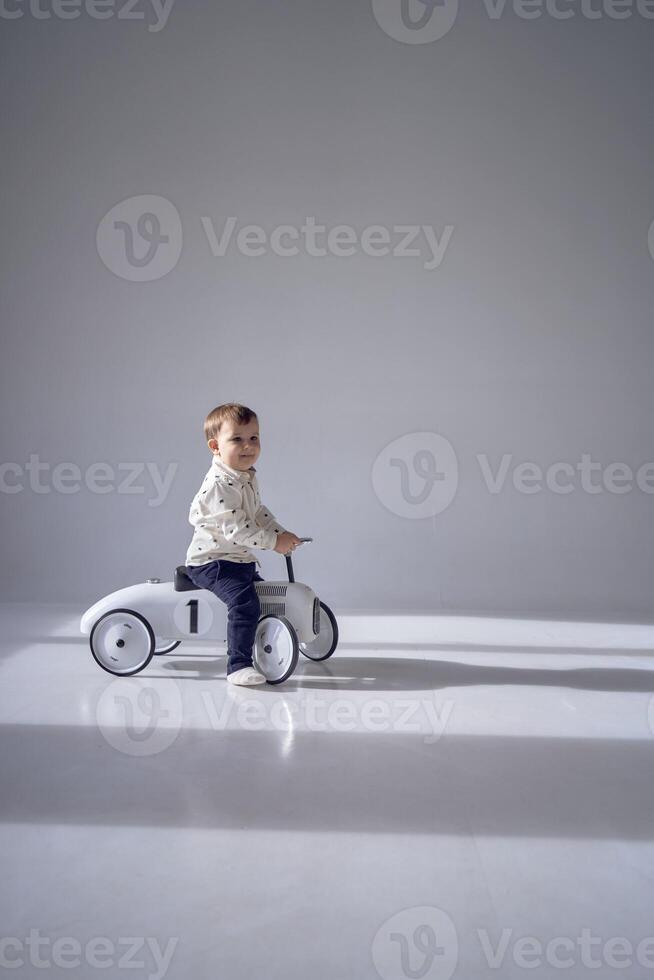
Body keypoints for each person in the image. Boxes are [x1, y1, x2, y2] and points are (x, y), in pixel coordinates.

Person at [185, 403, 302, 686]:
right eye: (237, 439)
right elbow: (237, 530)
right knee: (245, 603)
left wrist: (282, 532)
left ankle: (267, 646)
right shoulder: (219, 484)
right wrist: (274, 542)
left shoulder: (245, 477)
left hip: (237, 559)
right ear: (215, 446)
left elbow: (258, 513)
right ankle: (237, 665)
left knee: (263, 599)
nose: (248, 446)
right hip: (212, 562)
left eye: (254, 438)